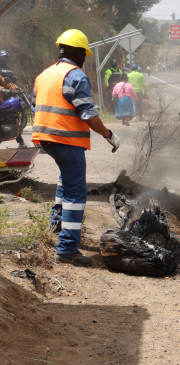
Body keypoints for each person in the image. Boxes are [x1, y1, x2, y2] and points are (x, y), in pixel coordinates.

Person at [32, 29, 120, 267]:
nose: (84, 59)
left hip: (45, 138)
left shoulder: (45, 74)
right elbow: (88, 114)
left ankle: (56, 225)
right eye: (84, 54)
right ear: (79, 53)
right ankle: (67, 248)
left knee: (65, 180)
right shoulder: (75, 76)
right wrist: (108, 134)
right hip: (66, 140)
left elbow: (35, 106)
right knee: (75, 192)